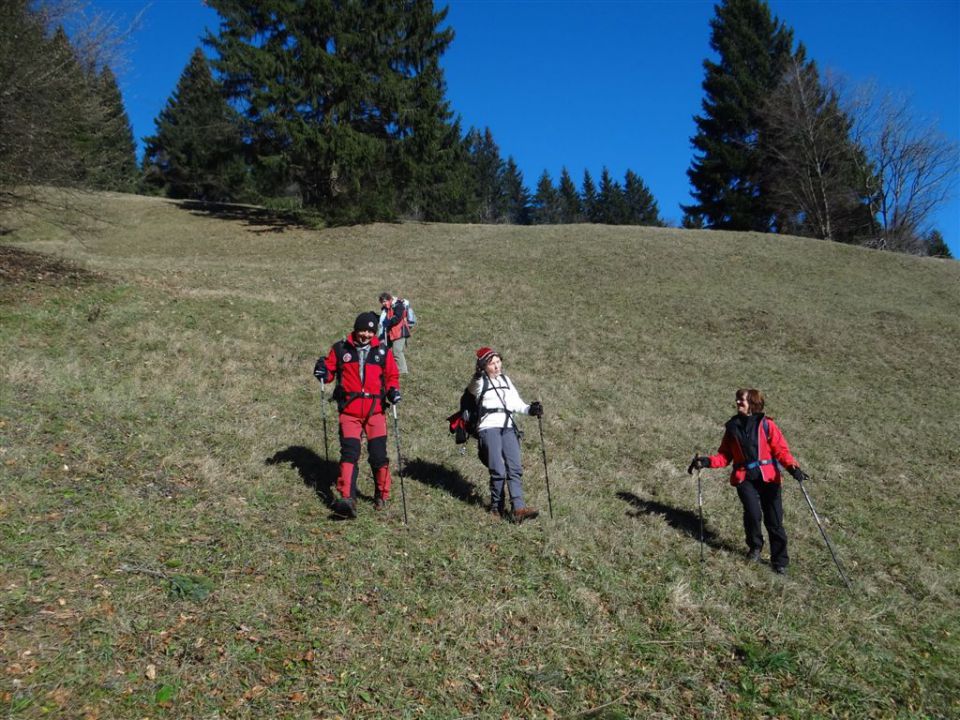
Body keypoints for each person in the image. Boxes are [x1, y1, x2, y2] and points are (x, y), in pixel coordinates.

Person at [687, 388, 808, 575]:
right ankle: (755, 548)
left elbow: (781, 450)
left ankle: (780, 561)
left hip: (769, 477)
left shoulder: (767, 425)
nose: (737, 403)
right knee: (752, 514)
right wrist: (706, 461)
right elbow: (725, 456)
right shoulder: (732, 427)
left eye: (741, 400)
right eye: (736, 400)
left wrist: (793, 467)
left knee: (774, 520)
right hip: (744, 478)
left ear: (752, 403)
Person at [313, 312, 401, 518]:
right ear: (355, 329)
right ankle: (347, 498)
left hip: (375, 412)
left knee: (379, 455)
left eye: (371, 331)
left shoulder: (383, 351)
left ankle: (382, 494)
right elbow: (328, 373)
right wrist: (321, 371)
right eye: (363, 330)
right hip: (349, 413)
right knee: (350, 453)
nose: (366, 335)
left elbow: (391, 376)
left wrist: (393, 390)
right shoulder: (340, 348)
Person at [469, 347, 543, 522]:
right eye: (492, 363)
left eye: (498, 362)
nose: (497, 366)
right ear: (483, 366)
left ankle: (519, 508)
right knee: (498, 470)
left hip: (508, 427)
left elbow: (516, 403)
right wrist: (478, 373)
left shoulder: (506, 380)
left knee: (515, 468)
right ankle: (497, 508)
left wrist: (530, 410)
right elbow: (472, 388)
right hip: (488, 428)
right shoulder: (480, 382)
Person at [377, 292, 412, 374]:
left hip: (400, 332)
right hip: (391, 333)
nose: (383, 303)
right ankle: (387, 367)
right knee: (386, 350)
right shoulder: (388, 308)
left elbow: (397, 318)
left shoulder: (398, 305)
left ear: (389, 299)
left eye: (384, 301)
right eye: (382, 302)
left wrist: (388, 322)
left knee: (397, 351)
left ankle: (402, 370)